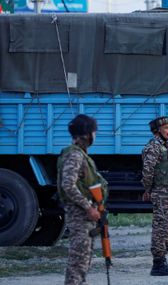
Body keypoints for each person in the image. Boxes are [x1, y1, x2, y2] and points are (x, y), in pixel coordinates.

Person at [57, 114, 108, 285]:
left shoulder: (79, 154)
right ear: (87, 135)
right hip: (80, 215)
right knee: (78, 263)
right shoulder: (75, 156)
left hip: (84, 216)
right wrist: (88, 208)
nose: (95, 136)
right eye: (94, 132)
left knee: (82, 262)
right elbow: (68, 185)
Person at [141, 116, 168, 276]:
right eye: (166, 127)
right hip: (161, 193)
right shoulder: (154, 147)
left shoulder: (165, 147)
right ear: (157, 131)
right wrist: (148, 189)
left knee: (167, 228)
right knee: (161, 227)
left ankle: (162, 261)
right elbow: (147, 170)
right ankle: (158, 265)